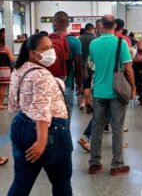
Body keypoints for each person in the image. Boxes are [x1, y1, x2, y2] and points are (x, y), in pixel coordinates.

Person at [8, 33, 72, 195]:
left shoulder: (18, 70)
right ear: (32, 52)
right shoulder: (42, 75)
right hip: (50, 131)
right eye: (45, 49)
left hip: (21, 124)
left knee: (21, 182)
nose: (50, 52)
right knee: (61, 182)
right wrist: (42, 140)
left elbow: (14, 102)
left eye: (51, 47)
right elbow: (42, 111)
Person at [88, 15, 136, 176]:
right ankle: (117, 165)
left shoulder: (93, 43)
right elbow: (128, 68)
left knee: (97, 127)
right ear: (115, 25)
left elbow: (91, 64)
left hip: (99, 91)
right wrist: (133, 87)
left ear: (101, 25)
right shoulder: (120, 43)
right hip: (117, 92)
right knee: (117, 128)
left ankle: (94, 163)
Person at [79, 23, 96, 113]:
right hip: (91, 65)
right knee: (91, 84)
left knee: (85, 84)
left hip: (81, 65)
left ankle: (84, 103)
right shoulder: (94, 39)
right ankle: (89, 102)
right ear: (92, 29)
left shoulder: (80, 38)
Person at [0, 28, 15, 109]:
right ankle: (1, 104)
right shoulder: (6, 48)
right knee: (2, 87)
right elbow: (12, 59)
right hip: (4, 69)